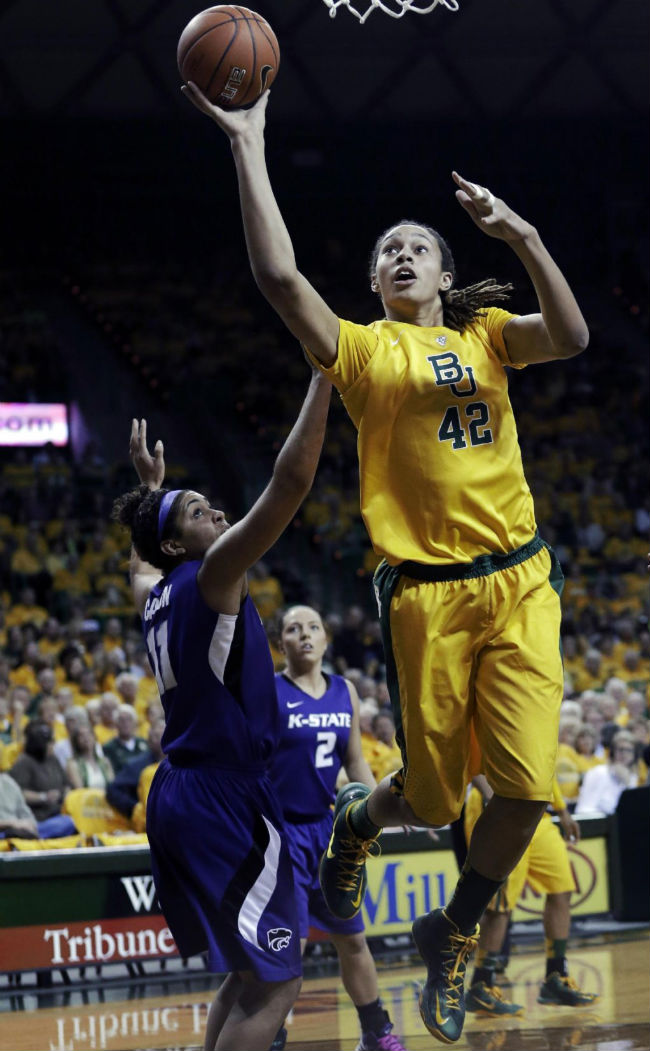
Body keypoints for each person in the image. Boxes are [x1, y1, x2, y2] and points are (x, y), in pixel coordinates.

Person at [182, 82, 589, 1044]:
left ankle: (452, 928)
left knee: (527, 791)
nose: (401, 254)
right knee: (439, 798)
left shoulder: (488, 334)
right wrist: (249, 143)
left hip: (522, 575)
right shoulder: (363, 354)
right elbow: (281, 279)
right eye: (386, 251)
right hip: (427, 595)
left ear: (447, 274)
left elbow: (571, 336)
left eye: (418, 247)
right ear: (376, 284)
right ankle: (364, 820)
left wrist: (522, 235)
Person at [112, 370, 330, 1051]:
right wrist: (327, 371)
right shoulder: (214, 575)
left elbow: (141, 562)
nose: (215, 511)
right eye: (196, 511)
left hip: (183, 786)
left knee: (246, 969)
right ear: (180, 543)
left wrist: (155, 495)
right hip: (222, 793)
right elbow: (289, 485)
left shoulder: (160, 587)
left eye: (209, 502)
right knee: (277, 979)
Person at [269, 605, 406, 1051]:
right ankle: (273, 1035)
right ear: (281, 642)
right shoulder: (267, 692)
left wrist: (387, 809)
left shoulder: (343, 690)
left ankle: (376, 1031)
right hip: (280, 834)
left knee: (353, 938)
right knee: (291, 948)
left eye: (313, 627)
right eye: (293, 628)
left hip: (328, 833)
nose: (304, 635)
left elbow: (355, 761)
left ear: (326, 638)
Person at [463, 775, 597, 1015]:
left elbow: (544, 759)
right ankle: (481, 984)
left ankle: (556, 977)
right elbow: (473, 753)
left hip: (537, 809)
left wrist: (562, 809)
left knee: (561, 887)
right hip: (500, 803)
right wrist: (488, 794)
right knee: (499, 902)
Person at [575, 729, 639, 815]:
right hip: (597, 823)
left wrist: (627, 783)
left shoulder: (632, 777)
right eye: (621, 749)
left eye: (629, 750)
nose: (624, 754)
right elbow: (585, 808)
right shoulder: (599, 772)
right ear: (613, 752)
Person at [66, 724, 114, 790]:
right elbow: (79, 789)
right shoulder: (73, 764)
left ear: (94, 738)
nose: (86, 738)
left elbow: (112, 785)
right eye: (81, 735)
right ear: (76, 741)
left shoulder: (105, 761)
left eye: (89, 734)